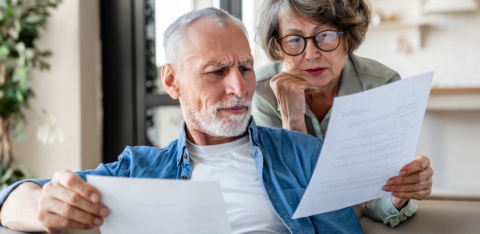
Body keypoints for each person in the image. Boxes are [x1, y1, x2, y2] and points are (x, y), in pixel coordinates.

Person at [0, 8, 363, 234]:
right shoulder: (140, 169)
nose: (239, 87)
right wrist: (41, 206)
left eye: (246, 68)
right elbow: (9, 199)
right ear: (172, 81)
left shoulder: (303, 155)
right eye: (217, 71)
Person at [252, 0, 434, 227]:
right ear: (279, 47)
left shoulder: (382, 86)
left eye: (325, 35)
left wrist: (398, 194)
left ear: (348, 38)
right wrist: (293, 121)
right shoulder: (258, 93)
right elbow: (285, 199)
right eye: (294, 40)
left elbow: (374, 197)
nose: (311, 54)